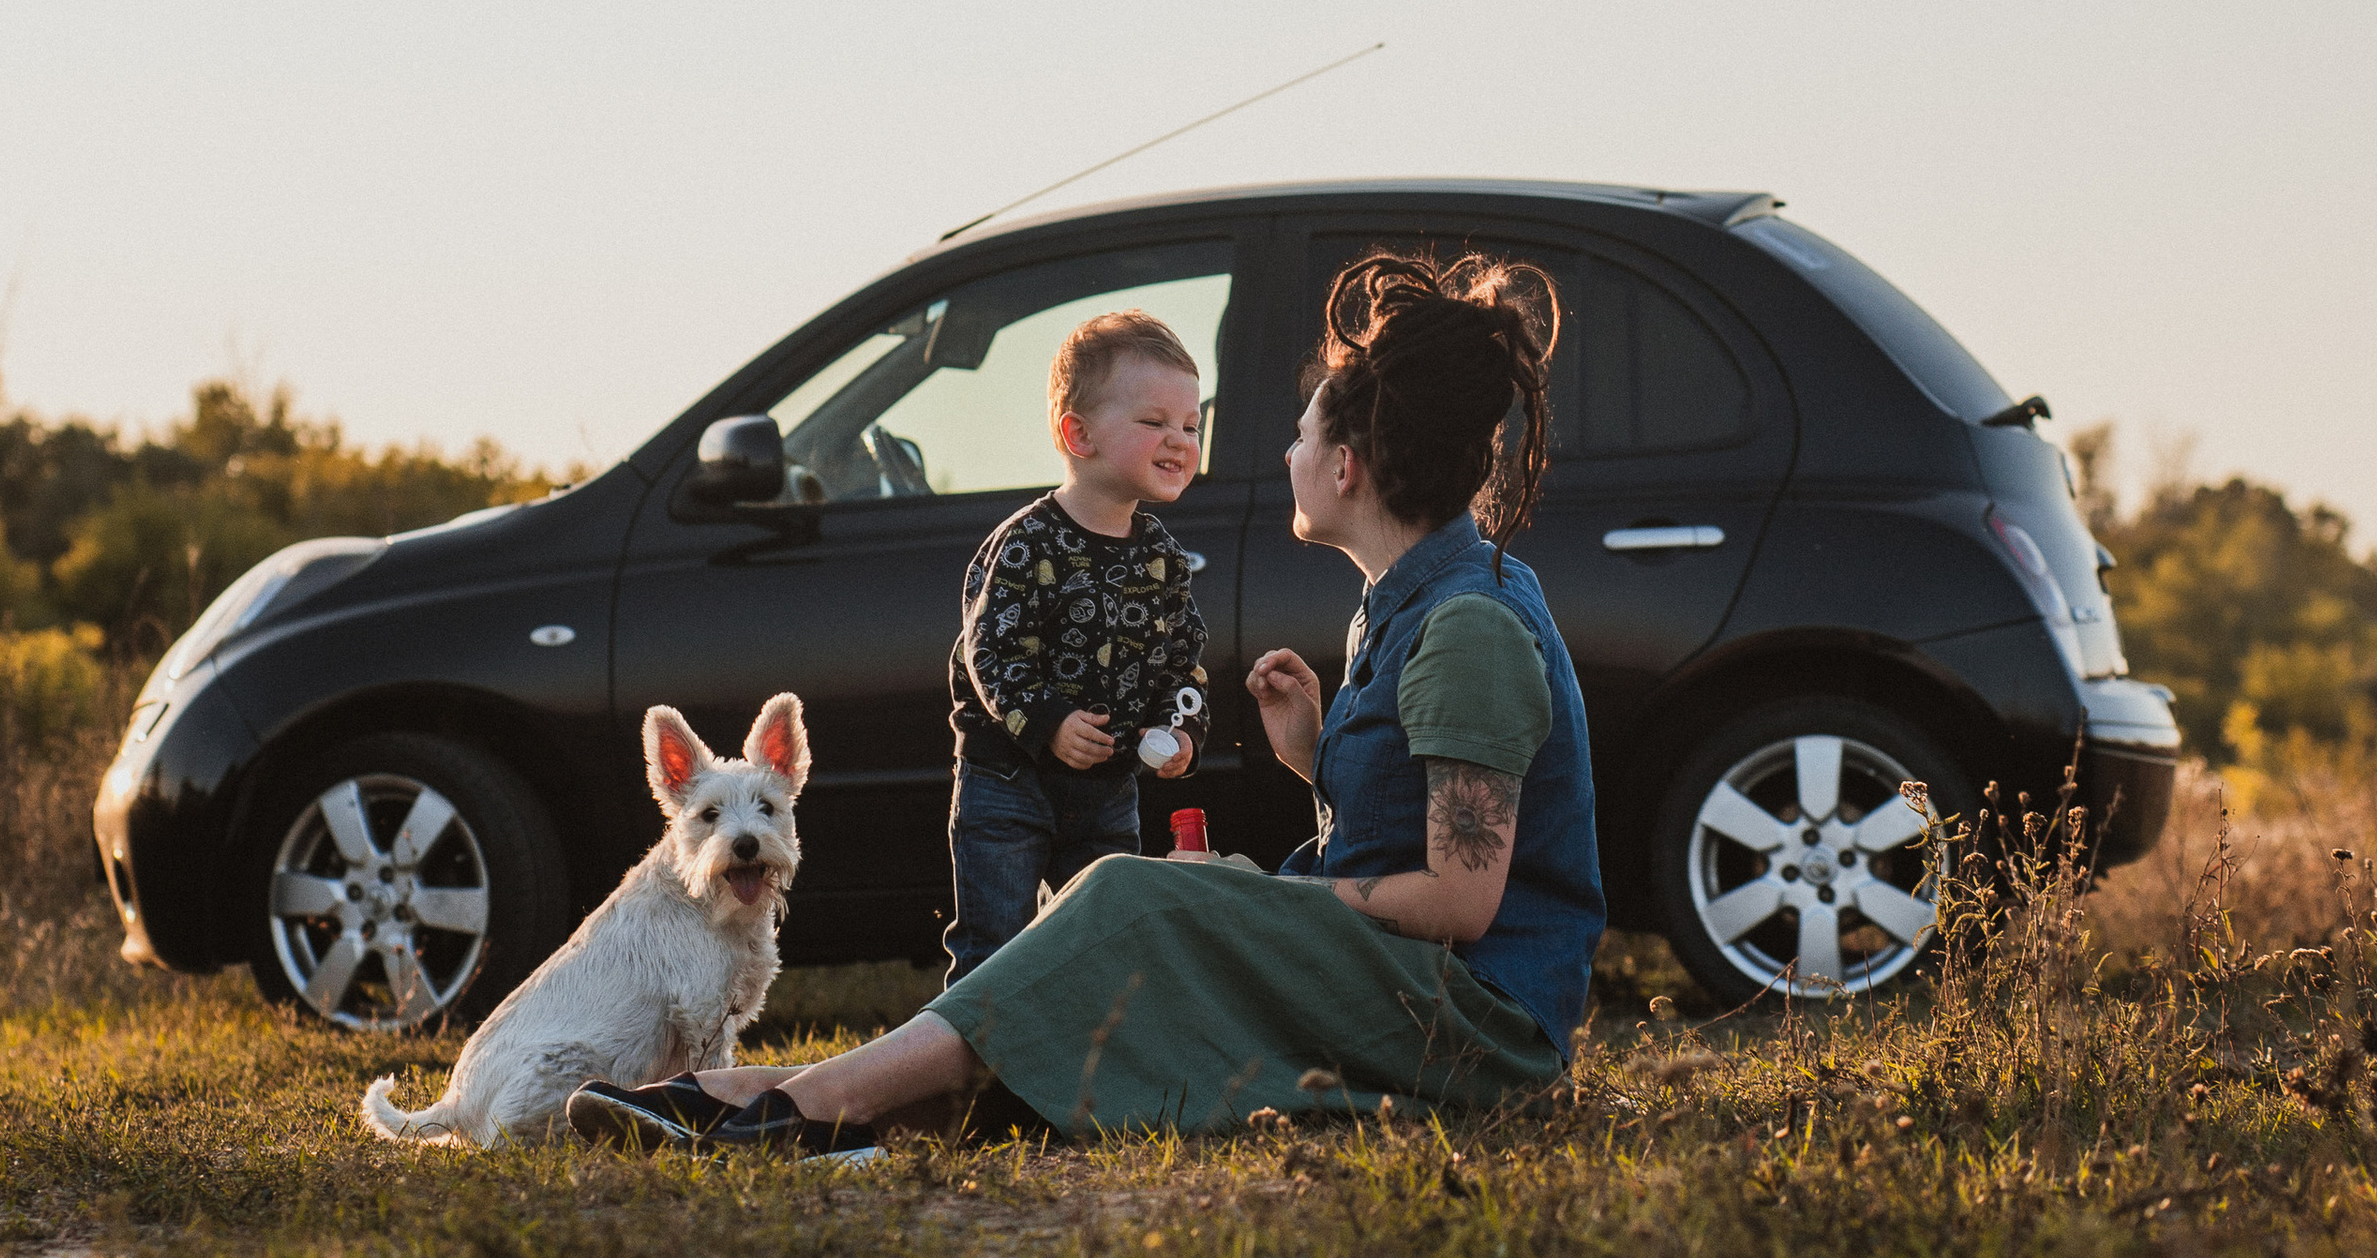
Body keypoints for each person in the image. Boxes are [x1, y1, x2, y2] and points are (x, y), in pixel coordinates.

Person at [565, 251, 1605, 1158]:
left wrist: (1245, 906)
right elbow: (1415, 825)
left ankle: (801, 1109)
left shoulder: (1467, 623)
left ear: (1344, 465)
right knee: (1124, 943)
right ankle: (745, 1098)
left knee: (1127, 893)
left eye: (1297, 436)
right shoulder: (1407, 605)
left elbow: (1464, 904)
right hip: (1407, 993)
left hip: (1477, 1035)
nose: (1280, 456)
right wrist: (1315, 754)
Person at [940, 306, 1210, 985]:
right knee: (994, 946)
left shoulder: (1164, 559)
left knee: (1105, 942)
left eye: (1191, 425)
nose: (1178, 440)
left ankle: (1083, 1076)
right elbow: (989, 655)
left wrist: (1180, 732)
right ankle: (970, 1077)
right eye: (1154, 422)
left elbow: (1183, 665)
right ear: (1078, 434)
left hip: (1106, 789)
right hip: (1008, 781)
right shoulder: (1028, 543)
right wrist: (1051, 722)